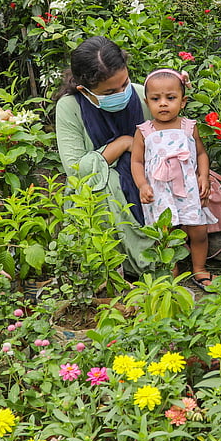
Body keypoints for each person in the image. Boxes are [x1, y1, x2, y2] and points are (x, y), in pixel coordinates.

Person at [55, 36, 154, 275]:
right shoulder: (70, 108)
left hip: (147, 184)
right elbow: (77, 171)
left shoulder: (142, 96)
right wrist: (122, 144)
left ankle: (158, 254)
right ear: (85, 90)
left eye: (124, 84)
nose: (122, 92)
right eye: (110, 91)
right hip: (100, 197)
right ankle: (116, 264)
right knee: (105, 182)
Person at [130, 68, 218, 289]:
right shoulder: (144, 131)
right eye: (155, 99)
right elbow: (137, 162)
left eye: (170, 98)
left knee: (198, 231)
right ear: (146, 101)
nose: (163, 104)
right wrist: (142, 185)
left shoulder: (189, 127)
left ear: (183, 101)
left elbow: (201, 154)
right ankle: (172, 271)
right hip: (160, 193)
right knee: (166, 235)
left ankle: (199, 269)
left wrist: (204, 177)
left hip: (188, 190)